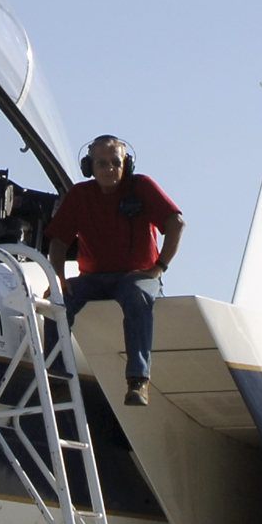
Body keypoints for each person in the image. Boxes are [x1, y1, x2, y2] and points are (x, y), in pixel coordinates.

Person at [44, 135, 183, 407]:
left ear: (126, 164)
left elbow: (176, 222)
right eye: (101, 163)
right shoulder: (80, 196)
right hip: (92, 279)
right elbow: (58, 241)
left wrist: (158, 268)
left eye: (115, 163)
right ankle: (57, 379)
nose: (109, 169)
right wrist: (58, 279)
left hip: (137, 276)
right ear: (89, 167)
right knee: (55, 301)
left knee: (136, 296)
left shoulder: (141, 186)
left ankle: (138, 381)